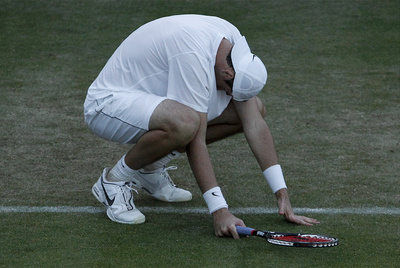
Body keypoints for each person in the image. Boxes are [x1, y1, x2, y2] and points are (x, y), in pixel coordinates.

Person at [84, 14, 319, 239]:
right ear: (228, 72)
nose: (227, 94)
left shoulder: (232, 44)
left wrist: (282, 194)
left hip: (149, 99)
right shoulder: (192, 54)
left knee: (253, 108)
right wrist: (220, 211)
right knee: (186, 123)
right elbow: (196, 138)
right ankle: (113, 180)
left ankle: (150, 169)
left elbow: (255, 123)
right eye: (229, 89)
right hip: (108, 104)